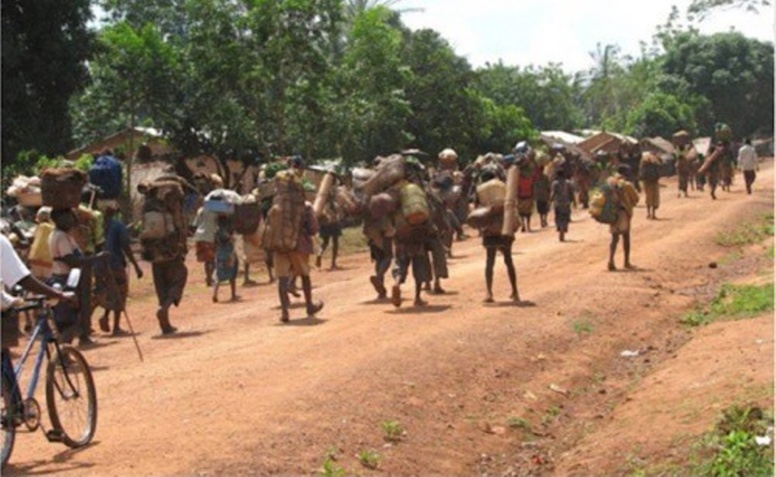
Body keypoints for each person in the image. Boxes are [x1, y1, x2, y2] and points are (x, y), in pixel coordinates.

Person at [273, 157, 324, 322]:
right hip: (298, 245)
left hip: (279, 245)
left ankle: (284, 312)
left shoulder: (277, 204)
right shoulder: (305, 205)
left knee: (282, 279)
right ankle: (309, 306)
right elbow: (313, 229)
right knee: (305, 275)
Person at [96, 203, 143, 336]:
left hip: (100, 263)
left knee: (109, 290)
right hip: (114, 263)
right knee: (120, 293)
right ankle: (116, 327)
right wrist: (136, 266)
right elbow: (125, 246)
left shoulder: (99, 226)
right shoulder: (118, 225)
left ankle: (105, 316)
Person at [476, 169, 519, 303]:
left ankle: (489, 292)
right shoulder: (503, 186)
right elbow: (512, 202)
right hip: (504, 225)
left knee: (490, 261)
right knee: (508, 260)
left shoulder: (480, 189)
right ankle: (515, 291)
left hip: (490, 227)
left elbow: (477, 208)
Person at [607, 165, 640, 271]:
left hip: (612, 213)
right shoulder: (627, 185)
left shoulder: (610, 183)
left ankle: (611, 260)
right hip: (623, 213)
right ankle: (626, 262)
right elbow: (635, 199)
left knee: (614, 238)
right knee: (626, 237)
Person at [316, 184, 343, 271]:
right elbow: (338, 213)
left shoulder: (321, 203)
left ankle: (319, 253)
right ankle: (333, 263)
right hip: (333, 224)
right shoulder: (332, 203)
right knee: (335, 243)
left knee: (325, 242)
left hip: (324, 224)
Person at [212, 214, 239, 302]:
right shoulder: (225, 232)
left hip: (219, 254)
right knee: (232, 275)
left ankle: (215, 294)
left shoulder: (216, 232)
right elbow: (231, 240)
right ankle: (233, 295)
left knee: (218, 275)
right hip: (229, 254)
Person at [192, 205, 217, 287]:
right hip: (210, 236)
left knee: (206, 260)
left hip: (200, 236)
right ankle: (210, 278)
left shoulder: (200, 210)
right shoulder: (216, 211)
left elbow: (195, 223)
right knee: (213, 259)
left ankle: (208, 277)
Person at [549, 169, 576, 242]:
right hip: (566, 203)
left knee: (558, 217)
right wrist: (574, 202)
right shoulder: (568, 183)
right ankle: (563, 229)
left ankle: (559, 227)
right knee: (565, 217)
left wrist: (550, 201)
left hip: (557, 203)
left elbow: (553, 193)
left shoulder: (555, 183)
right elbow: (572, 193)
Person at [639, 153, 662, 220]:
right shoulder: (655, 163)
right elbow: (658, 172)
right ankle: (653, 214)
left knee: (648, 197)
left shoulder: (643, 164)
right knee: (654, 198)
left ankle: (648, 213)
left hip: (646, 183)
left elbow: (641, 174)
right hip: (654, 182)